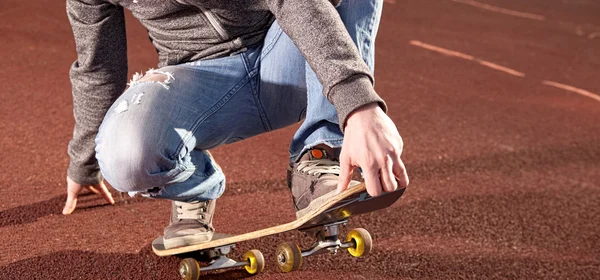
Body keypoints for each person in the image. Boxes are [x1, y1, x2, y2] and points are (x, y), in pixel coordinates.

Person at [62, 0, 409, 249]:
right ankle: (194, 189)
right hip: (198, 79)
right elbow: (98, 69)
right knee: (123, 159)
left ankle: (320, 154)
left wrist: (357, 105)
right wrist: (85, 163)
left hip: (288, 55)